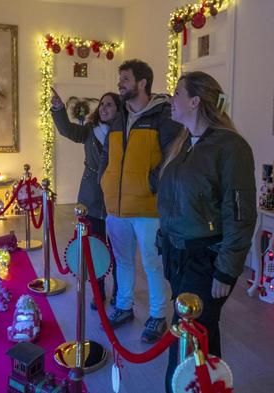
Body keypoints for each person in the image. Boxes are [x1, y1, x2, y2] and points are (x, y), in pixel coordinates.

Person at [156, 71, 257, 391]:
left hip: (206, 259)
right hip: (176, 254)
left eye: (176, 93)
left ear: (195, 101)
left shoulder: (231, 146)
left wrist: (226, 272)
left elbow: (241, 215)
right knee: (203, 336)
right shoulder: (184, 142)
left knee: (183, 342)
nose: (171, 100)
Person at [99, 59, 181, 343]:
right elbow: (107, 157)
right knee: (122, 261)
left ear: (142, 83)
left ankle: (158, 315)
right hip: (117, 206)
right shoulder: (119, 117)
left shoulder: (163, 115)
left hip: (148, 207)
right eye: (119, 78)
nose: (119, 83)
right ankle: (123, 306)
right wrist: (105, 182)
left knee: (152, 262)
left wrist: (150, 184)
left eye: (125, 78)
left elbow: (173, 156)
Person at [51, 89, 122, 309]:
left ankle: (121, 293)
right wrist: (59, 108)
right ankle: (98, 292)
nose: (104, 108)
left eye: (109, 104)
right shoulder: (91, 131)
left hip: (117, 197)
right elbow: (67, 130)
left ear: (119, 110)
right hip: (91, 197)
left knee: (119, 250)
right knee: (96, 247)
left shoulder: (124, 132)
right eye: (102, 104)